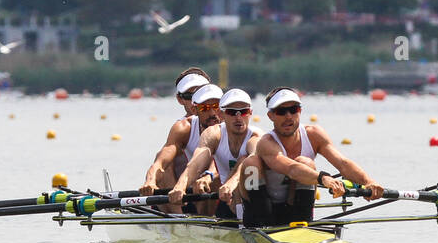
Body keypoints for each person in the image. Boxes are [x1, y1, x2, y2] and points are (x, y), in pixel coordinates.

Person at [234, 87, 384, 227]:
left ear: (300, 111)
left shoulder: (314, 134)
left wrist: (368, 182)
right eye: (281, 111)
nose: (288, 116)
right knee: (251, 164)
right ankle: (258, 226)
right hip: (261, 208)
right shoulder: (266, 142)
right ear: (271, 115)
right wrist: (324, 178)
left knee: (305, 162)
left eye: (293, 110)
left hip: (292, 206)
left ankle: (302, 225)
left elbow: (343, 164)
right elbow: (292, 169)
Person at [168, 87, 260, 218]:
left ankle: (248, 225)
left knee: (245, 161)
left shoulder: (256, 136)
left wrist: (231, 183)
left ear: (250, 113)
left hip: (258, 195)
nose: (238, 117)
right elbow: (195, 164)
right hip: (229, 200)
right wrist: (180, 187)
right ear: (221, 114)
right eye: (232, 112)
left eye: (243, 112)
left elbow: (253, 158)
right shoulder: (213, 134)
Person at [139, 68, 212, 195]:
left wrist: (209, 176)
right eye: (190, 96)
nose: (197, 101)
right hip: (186, 192)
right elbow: (161, 160)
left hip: (218, 188)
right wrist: (150, 180)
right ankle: (176, 210)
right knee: (166, 160)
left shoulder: (229, 119)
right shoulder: (182, 127)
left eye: (202, 94)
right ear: (180, 99)